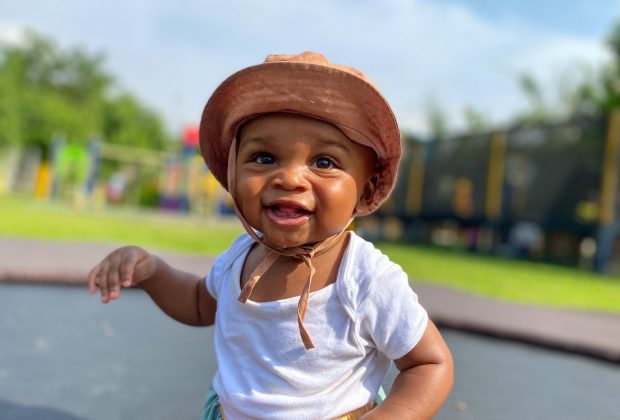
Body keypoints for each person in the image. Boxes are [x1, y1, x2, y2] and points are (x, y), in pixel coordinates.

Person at [88, 52, 453, 419]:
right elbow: (200, 303)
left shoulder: (364, 277)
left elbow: (429, 364)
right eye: (264, 158)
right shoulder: (241, 255)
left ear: (366, 188)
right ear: (233, 174)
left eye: (324, 162)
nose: (290, 178)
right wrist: (151, 271)